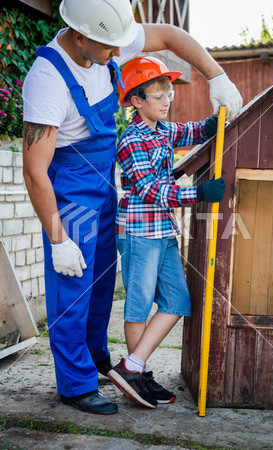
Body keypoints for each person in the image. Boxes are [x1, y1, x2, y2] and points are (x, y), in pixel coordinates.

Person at [22, 0, 242, 415]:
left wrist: (217, 76)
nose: (121, 54)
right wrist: (58, 239)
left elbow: (173, 36)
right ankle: (75, 383)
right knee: (74, 288)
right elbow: (35, 171)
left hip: (106, 185)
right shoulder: (47, 80)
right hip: (71, 191)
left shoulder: (109, 36)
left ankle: (97, 358)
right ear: (80, 36)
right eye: (111, 48)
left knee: (103, 284)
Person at [107, 56, 226, 408]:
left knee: (177, 300)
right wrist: (198, 193)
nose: (165, 100)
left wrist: (219, 114)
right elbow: (149, 190)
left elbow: (194, 131)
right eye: (157, 94)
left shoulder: (163, 131)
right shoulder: (131, 139)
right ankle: (138, 376)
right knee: (139, 306)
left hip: (162, 230)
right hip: (138, 232)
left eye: (168, 93)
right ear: (136, 100)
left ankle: (132, 367)